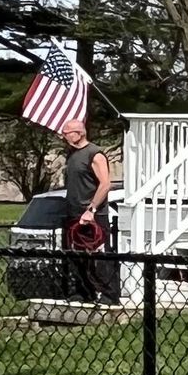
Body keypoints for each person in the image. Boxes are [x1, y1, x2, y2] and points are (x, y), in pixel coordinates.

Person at [62, 114, 113, 303]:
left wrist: (91, 210)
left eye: (66, 133)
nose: (63, 136)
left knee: (99, 257)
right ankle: (83, 293)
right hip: (73, 213)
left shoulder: (95, 153)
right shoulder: (72, 155)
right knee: (76, 256)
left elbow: (105, 184)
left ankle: (109, 295)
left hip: (93, 215)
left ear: (78, 133)